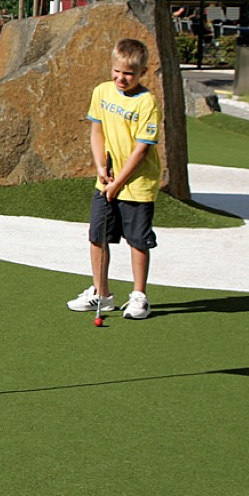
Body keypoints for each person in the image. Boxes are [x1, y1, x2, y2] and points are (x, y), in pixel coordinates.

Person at [67, 38, 160, 321]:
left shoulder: (147, 102)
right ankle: (102, 293)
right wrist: (99, 167)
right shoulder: (102, 92)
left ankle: (139, 297)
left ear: (142, 73)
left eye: (129, 74)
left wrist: (118, 182)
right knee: (97, 236)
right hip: (105, 180)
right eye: (117, 71)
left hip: (136, 184)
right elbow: (97, 131)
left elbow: (142, 150)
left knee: (137, 240)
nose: (121, 78)